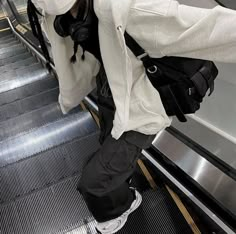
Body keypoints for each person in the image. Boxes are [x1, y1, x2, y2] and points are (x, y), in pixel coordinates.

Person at [27, 0, 236, 233]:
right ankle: (121, 181)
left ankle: (121, 207)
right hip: (112, 94)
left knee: (94, 182)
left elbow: (211, 28)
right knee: (107, 146)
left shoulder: (128, 8)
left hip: (142, 107)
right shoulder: (54, 13)